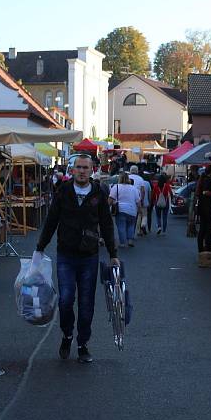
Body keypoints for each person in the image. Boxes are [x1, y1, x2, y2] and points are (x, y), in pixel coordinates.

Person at [36, 154, 118, 364]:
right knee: (65, 301)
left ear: (92, 170)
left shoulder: (99, 193)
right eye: (78, 167)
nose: (82, 171)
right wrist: (40, 247)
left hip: (89, 256)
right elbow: (52, 220)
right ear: (72, 170)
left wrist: (113, 254)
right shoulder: (63, 191)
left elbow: (107, 224)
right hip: (66, 255)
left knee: (86, 304)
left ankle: (82, 344)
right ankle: (67, 336)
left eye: (85, 168)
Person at [110, 172, 141, 247]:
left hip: (120, 209)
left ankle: (122, 243)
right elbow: (138, 201)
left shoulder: (116, 187)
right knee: (131, 225)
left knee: (121, 226)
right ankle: (130, 240)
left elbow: (110, 199)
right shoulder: (134, 188)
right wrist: (139, 210)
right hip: (132, 210)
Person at [196, 166, 211, 252]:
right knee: (209, 228)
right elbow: (205, 192)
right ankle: (207, 247)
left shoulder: (203, 179)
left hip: (202, 208)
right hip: (207, 209)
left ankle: (201, 248)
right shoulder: (207, 180)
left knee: (202, 229)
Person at [128, 165, 149, 236]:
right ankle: (132, 233)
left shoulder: (127, 177)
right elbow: (143, 191)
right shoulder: (140, 179)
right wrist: (141, 200)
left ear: (130, 170)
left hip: (127, 200)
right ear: (137, 171)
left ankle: (128, 233)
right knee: (136, 216)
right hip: (137, 200)